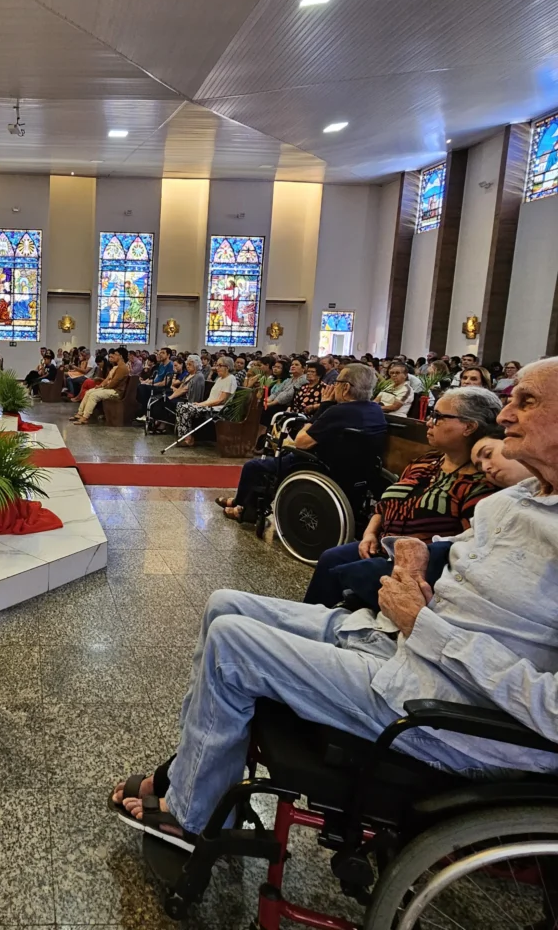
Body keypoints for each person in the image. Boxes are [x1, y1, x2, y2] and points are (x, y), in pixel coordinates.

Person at [110, 358, 558, 849]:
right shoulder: (515, 499)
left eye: (527, 402)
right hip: (394, 643)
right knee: (224, 604)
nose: (505, 413)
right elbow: (464, 563)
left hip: (446, 705)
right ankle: (190, 775)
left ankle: (191, 816)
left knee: (232, 645)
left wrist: (424, 625)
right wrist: (417, 557)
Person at [303, 387, 501, 607]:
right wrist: (370, 533)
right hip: (382, 544)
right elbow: (386, 503)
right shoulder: (426, 461)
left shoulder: (480, 484)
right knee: (330, 558)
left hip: (420, 566)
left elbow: (463, 549)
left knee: (341, 574)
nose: (429, 422)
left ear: (469, 426)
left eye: (438, 417)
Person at [217, 364, 386, 521]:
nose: (333, 386)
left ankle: (242, 507)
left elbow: (301, 442)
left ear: (346, 387)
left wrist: (324, 406)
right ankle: (241, 503)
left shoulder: (339, 411)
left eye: (337, 382)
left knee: (254, 466)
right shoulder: (375, 410)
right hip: (359, 470)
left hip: (320, 465)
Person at [174, 358, 237, 446]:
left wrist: (202, 404)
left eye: (220, 365)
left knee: (184, 409)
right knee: (180, 405)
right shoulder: (220, 379)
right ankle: (186, 436)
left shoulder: (230, 379)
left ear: (227, 367)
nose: (217, 368)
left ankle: (188, 439)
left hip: (217, 409)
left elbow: (221, 400)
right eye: (217, 365)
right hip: (208, 405)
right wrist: (202, 404)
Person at [72, 348, 129, 424]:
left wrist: (103, 387)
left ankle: (85, 417)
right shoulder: (117, 367)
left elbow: (114, 383)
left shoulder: (122, 368)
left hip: (116, 392)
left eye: (115, 355)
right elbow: (107, 379)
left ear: (121, 356)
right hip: (111, 389)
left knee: (93, 395)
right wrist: (100, 386)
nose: (113, 356)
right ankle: (80, 413)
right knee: (88, 392)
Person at [154, 355, 206, 430]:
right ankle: (159, 421)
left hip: (190, 401)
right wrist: (170, 397)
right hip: (182, 397)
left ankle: (162, 423)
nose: (187, 366)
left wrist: (171, 397)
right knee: (161, 399)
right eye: (187, 364)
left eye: (190, 364)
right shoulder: (188, 375)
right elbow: (180, 388)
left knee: (165, 401)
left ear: (196, 365)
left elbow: (184, 390)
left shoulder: (198, 376)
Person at [135, 347, 174, 421]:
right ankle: (142, 411)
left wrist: (152, 385)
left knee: (142, 389)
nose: (160, 354)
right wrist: (147, 382)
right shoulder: (161, 365)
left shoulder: (170, 365)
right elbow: (155, 378)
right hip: (155, 384)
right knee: (139, 385)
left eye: (163, 353)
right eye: (160, 353)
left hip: (163, 388)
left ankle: (145, 413)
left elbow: (165, 382)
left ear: (168, 355)